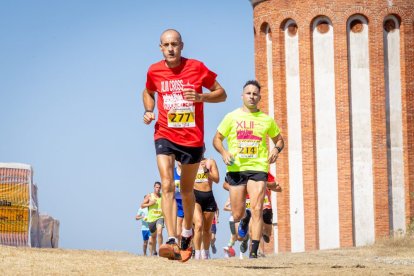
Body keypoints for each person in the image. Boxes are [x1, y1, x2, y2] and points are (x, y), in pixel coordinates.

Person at [142, 29, 227, 262]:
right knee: (168, 184)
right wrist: (149, 110)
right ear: (160, 47)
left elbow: (222, 94)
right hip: (164, 134)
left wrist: (201, 98)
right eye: (166, 45)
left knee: (188, 192)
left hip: (191, 139)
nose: (170, 48)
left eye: (174, 44)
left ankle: (186, 234)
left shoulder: (197, 67)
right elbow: (148, 91)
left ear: (182, 45)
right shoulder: (154, 70)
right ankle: (171, 238)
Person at [213, 80, 284, 258]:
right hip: (236, 168)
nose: (252, 96)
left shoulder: (266, 120)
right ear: (242, 96)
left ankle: (254, 250)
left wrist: (276, 149)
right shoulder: (231, 117)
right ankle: (244, 218)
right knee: (237, 213)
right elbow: (217, 139)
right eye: (248, 93)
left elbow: (279, 140)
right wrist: (223, 152)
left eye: (255, 94)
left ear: (259, 97)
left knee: (258, 208)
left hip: (258, 167)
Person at [192, 156, 219, 260]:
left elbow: (217, 179)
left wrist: (206, 171)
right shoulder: (191, 163)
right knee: (198, 225)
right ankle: (197, 254)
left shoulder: (210, 162)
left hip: (208, 196)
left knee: (207, 230)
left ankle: (205, 254)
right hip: (195, 197)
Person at [141, 181, 164, 256]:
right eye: (157, 187)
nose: (158, 189)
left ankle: (161, 251)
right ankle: (152, 254)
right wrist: (150, 204)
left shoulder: (162, 196)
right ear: (154, 187)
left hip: (160, 217)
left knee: (160, 232)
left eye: (159, 188)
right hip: (151, 219)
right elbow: (142, 205)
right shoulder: (149, 196)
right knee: (153, 238)